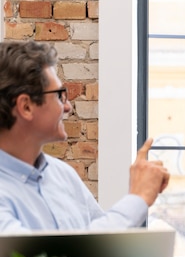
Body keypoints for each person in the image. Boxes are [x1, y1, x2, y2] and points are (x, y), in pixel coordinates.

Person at [0, 40, 169, 232]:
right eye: (58, 95)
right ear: (26, 106)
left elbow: (102, 252)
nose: (67, 107)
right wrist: (137, 199)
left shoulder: (62, 175)